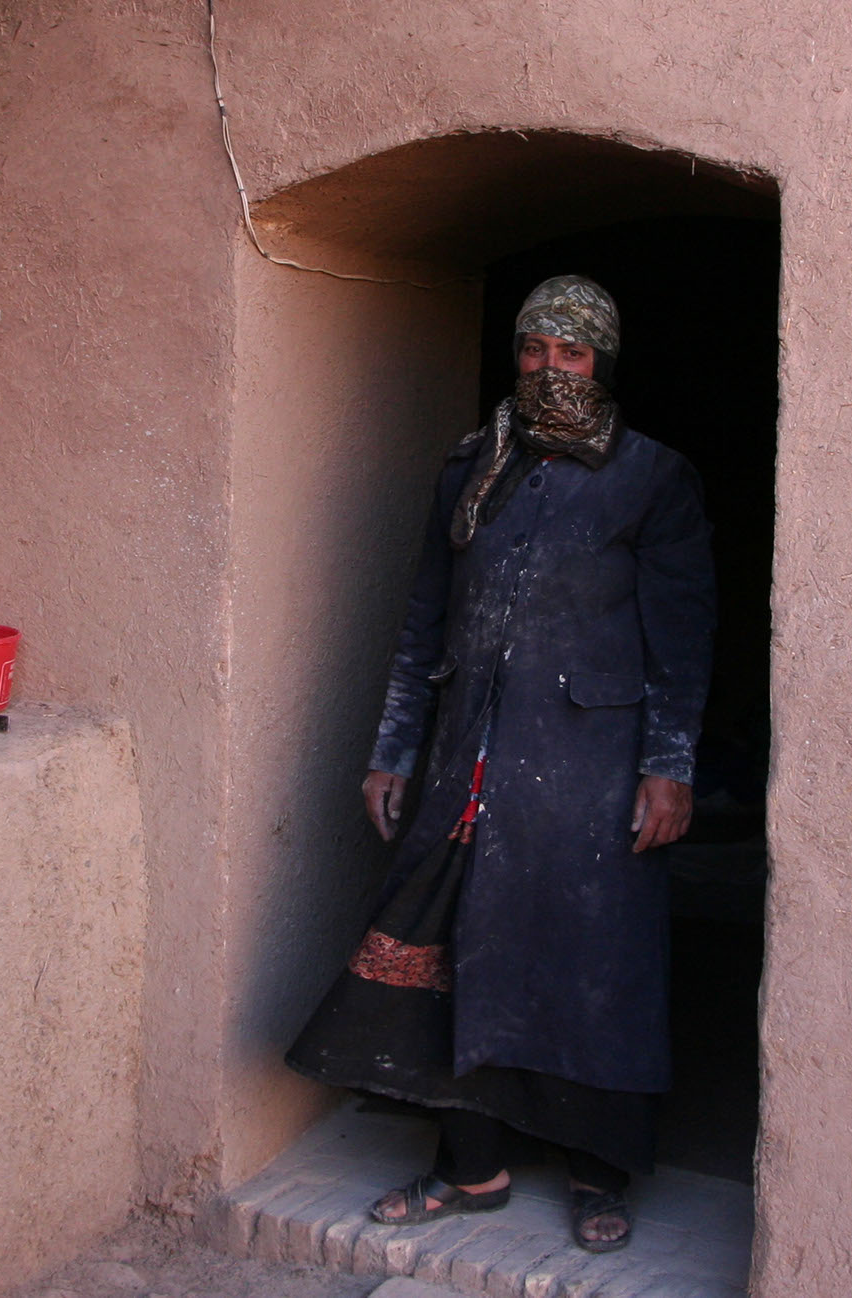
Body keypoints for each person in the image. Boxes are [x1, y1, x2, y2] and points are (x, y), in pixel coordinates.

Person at [287, 275, 716, 1254]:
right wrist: (393, 745)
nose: (549, 369)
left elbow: (682, 640)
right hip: (463, 760)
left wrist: (668, 765)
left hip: (592, 770)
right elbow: (421, 617)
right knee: (453, 956)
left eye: (570, 353)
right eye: (533, 349)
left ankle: (599, 1167)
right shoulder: (470, 466)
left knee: (592, 965)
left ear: (601, 361)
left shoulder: (653, 478)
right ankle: (468, 1165)